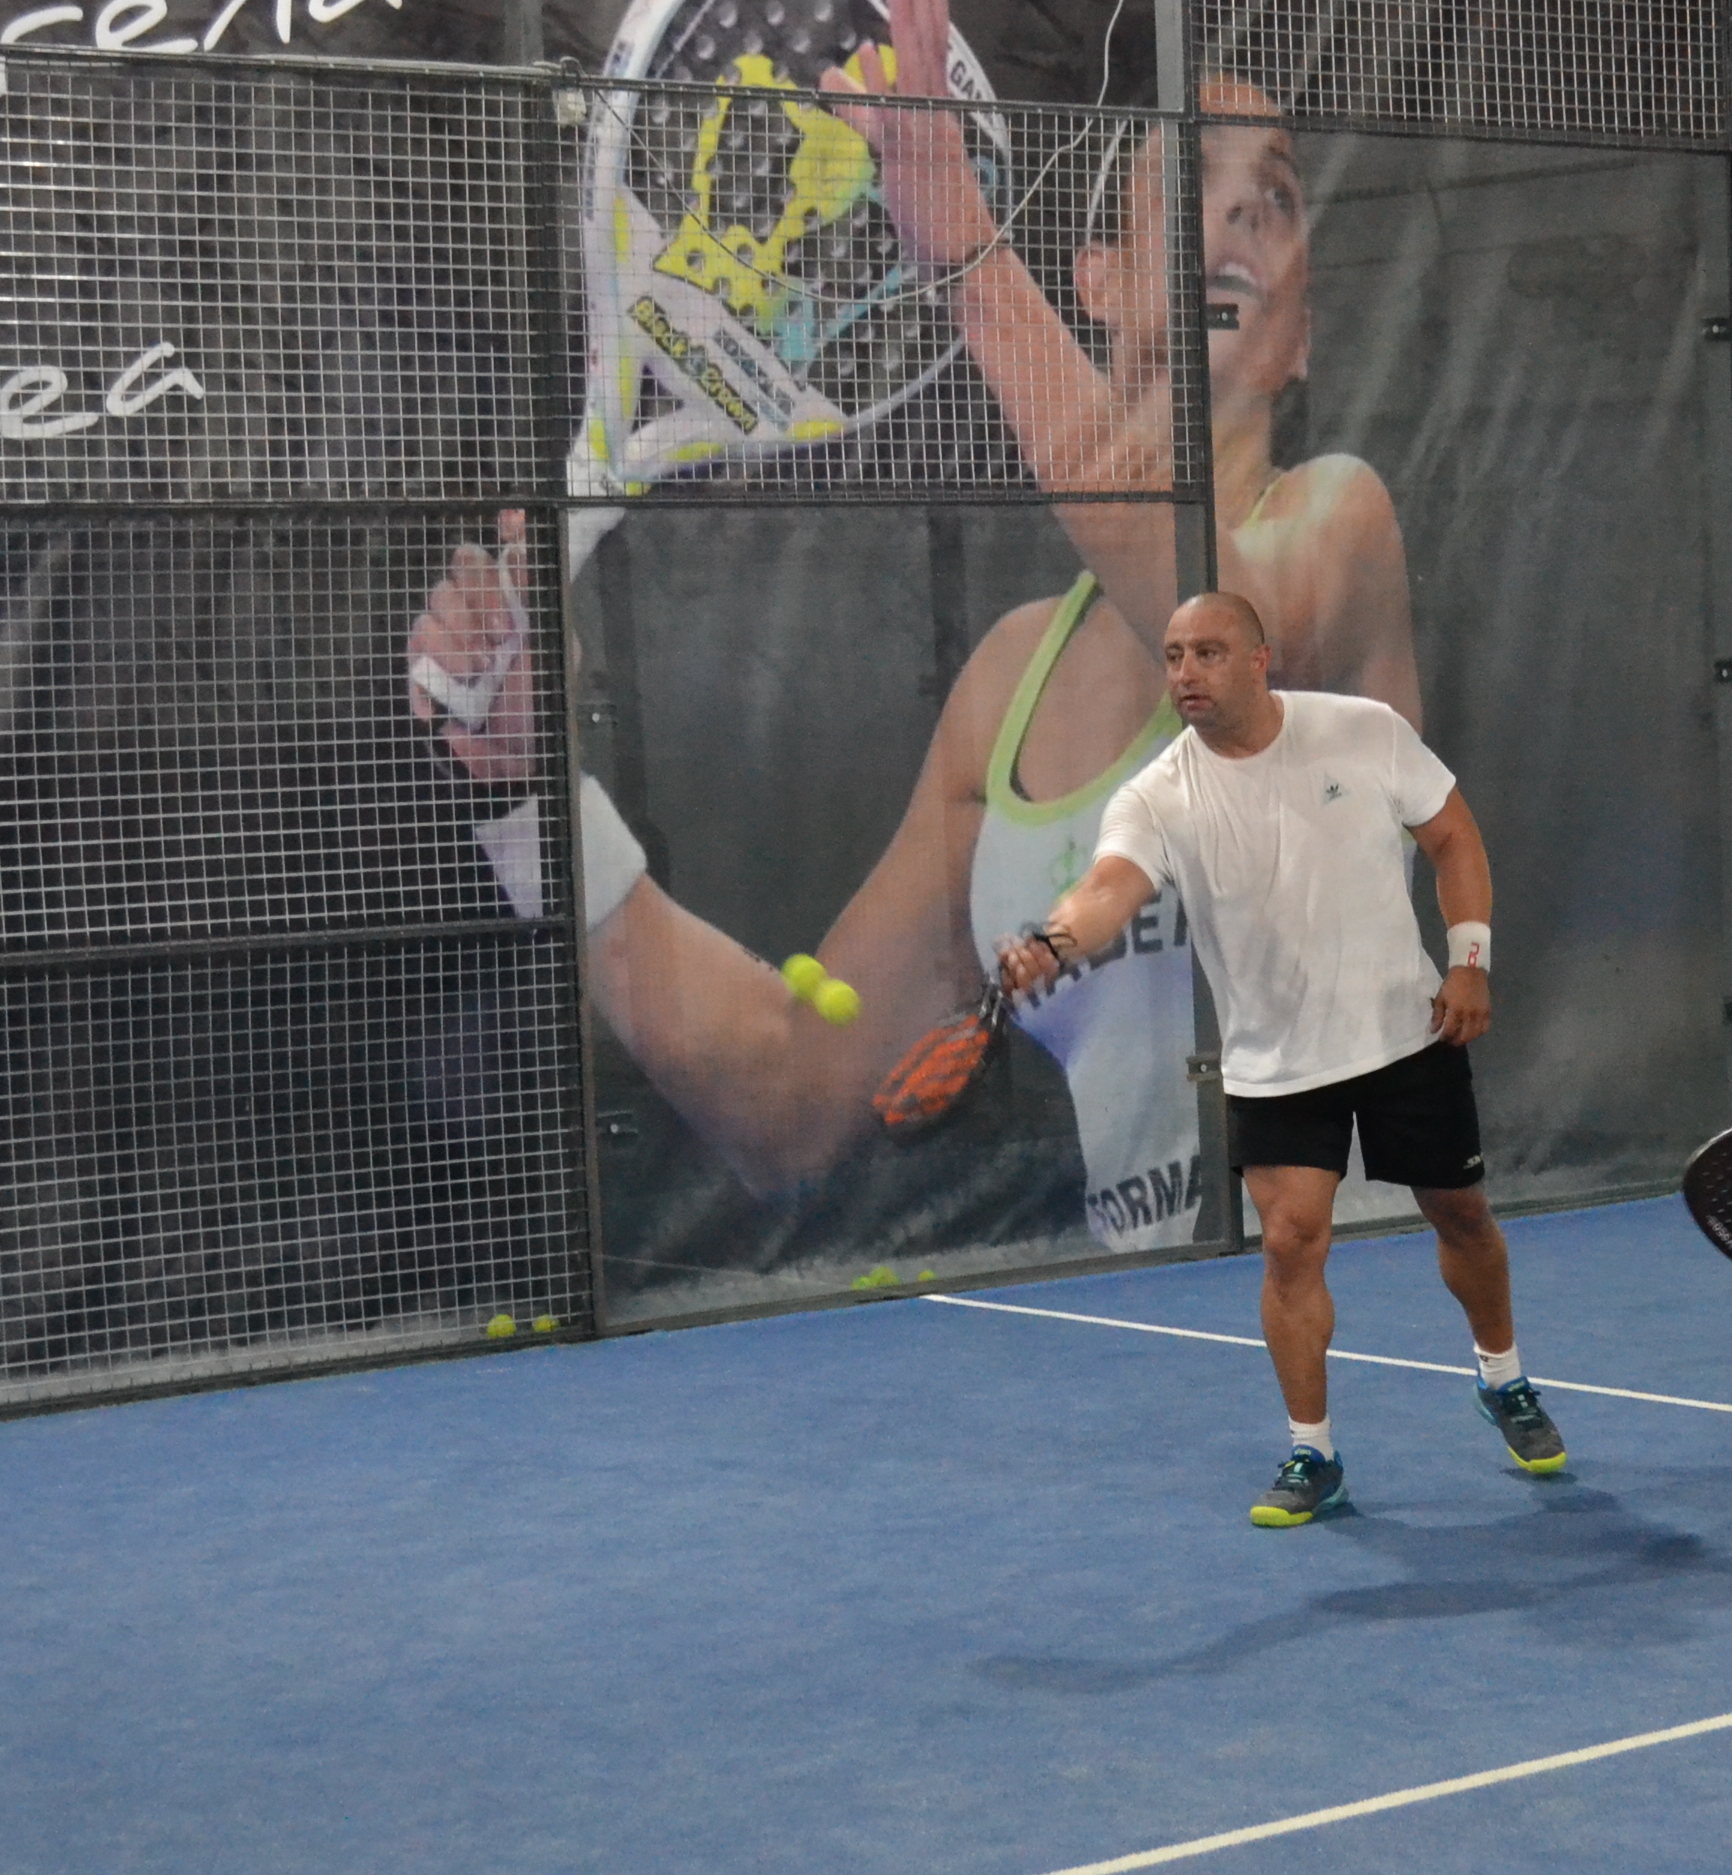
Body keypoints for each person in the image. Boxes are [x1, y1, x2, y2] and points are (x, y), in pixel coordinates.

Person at [411, 27, 1414, 1256]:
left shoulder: (1342, 525)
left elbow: (1215, 620)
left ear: (1301, 337)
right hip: (1159, 1336)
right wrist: (537, 802)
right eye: (1192, 179)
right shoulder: (1007, 688)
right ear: (1097, 281)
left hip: (1374, 1305)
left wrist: (964, 255)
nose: (1242, 212)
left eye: (1278, 197)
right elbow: (787, 1101)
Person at [998, 591, 1565, 1526]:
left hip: (1405, 1035)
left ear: (1261, 660)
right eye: (1173, 656)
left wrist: (1470, 960)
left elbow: (1453, 836)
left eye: (1208, 653)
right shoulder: (1158, 795)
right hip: (1276, 1063)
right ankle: (1314, 1452)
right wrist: (1052, 944)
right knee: (1292, 1243)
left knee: (1461, 1215)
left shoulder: (1363, 731)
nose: (1186, 673)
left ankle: (1503, 1377)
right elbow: (1105, 890)